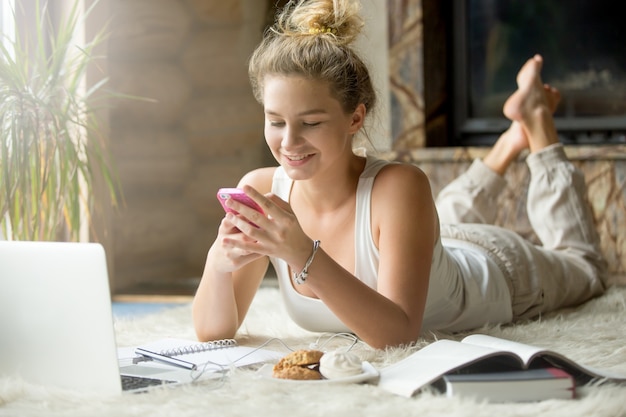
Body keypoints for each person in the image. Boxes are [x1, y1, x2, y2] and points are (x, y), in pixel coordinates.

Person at [192, 0, 607, 349]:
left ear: (355, 118)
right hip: (433, 243)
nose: (289, 142)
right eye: (276, 121)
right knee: (449, 214)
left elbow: (397, 336)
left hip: (499, 270)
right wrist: (218, 261)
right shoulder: (262, 189)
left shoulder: (399, 186)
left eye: (312, 123)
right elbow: (214, 333)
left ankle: (535, 122)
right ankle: (509, 141)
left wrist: (302, 253)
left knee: (586, 267)